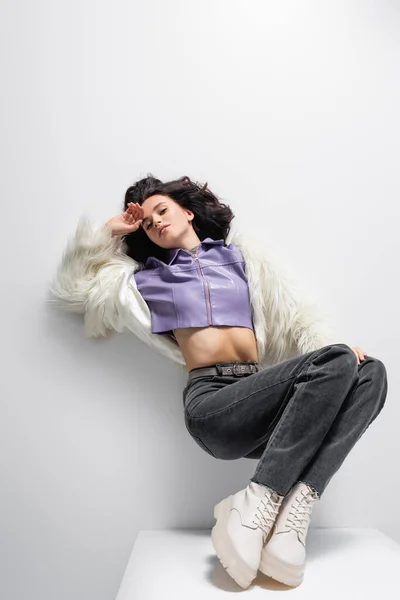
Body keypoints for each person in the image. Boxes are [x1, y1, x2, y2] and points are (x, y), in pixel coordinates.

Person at [47, 174, 388, 590]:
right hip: (213, 405)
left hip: (263, 399)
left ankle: (291, 515)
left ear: (187, 212)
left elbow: (299, 320)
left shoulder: (244, 262)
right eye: (147, 223)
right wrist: (108, 233)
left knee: (372, 372)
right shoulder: (145, 281)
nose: (155, 221)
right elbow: (73, 290)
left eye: (162, 210)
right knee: (336, 359)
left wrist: (339, 364)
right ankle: (258, 501)